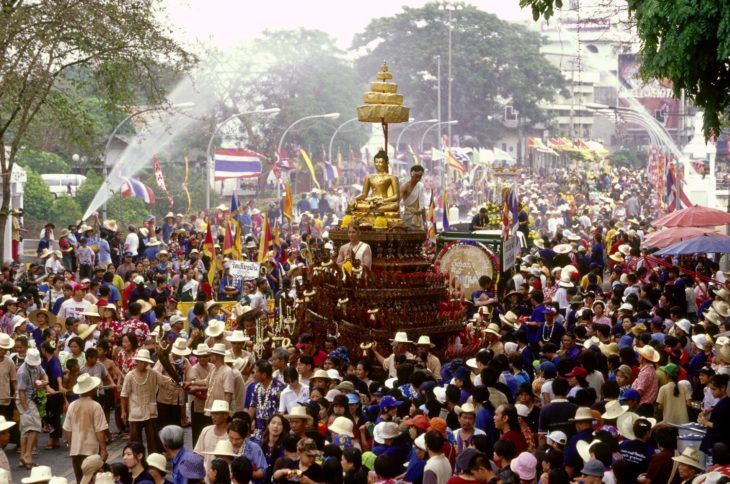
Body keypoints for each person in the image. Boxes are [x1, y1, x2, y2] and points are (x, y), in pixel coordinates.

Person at [63, 373, 108, 483]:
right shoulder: (95, 406)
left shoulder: (72, 405)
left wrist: (71, 446)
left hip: (76, 450)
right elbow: (99, 430)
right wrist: (103, 448)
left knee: (80, 480)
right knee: (93, 480)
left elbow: (67, 429)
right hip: (91, 450)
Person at [120, 348, 167, 453]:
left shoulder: (153, 373)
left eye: (145, 362)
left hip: (150, 411)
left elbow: (164, 383)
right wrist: (123, 411)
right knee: (135, 440)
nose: (143, 364)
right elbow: (124, 394)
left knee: (153, 439)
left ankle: (153, 462)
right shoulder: (130, 376)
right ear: (137, 362)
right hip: (135, 411)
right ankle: (138, 461)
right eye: (141, 361)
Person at [16, 347, 47, 469]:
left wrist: (43, 383)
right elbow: (21, 392)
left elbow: (45, 376)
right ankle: (28, 454)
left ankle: (23, 457)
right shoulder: (22, 371)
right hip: (25, 400)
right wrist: (26, 409)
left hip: (32, 398)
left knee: (25, 428)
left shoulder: (37, 366)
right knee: (35, 426)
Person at [700, 373, 730, 453]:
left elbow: (723, 427)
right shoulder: (723, 402)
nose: (712, 392)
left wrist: (706, 422)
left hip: (718, 446)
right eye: (711, 389)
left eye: (714, 389)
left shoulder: (724, 405)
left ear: (723, 388)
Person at [401, 165, 427, 229]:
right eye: (416, 177)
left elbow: (422, 206)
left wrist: (425, 222)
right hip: (407, 218)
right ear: (411, 174)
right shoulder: (405, 187)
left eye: (420, 177)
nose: (418, 179)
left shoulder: (420, 186)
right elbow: (397, 202)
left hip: (418, 219)